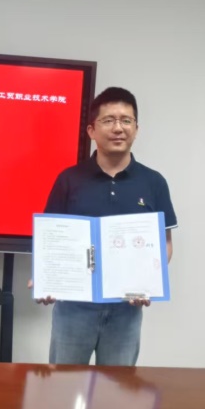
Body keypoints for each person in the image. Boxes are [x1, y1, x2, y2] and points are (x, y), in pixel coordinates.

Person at [34, 87, 177, 366]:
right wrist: (46, 278)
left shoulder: (153, 182)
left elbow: (165, 243)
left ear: (136, 129)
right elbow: (50, 240)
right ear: (91, 130)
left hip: (126, 309)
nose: (118, 128)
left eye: (126, 120)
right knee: (63, 384)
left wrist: (148, 282)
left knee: (117, 387)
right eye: (108, 120)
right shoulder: (69, 180)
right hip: (73, 308)